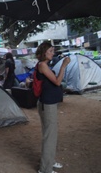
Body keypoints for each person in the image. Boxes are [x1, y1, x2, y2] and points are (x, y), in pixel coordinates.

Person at [35, 42, 70, 173]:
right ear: (44, 52)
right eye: (50, 50)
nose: (53, 53)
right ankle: (45, 169)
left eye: (53, 50)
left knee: (50, 135)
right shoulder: (42, 65)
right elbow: (57, 81)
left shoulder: (45, 65)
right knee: (49, 136)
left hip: (49, 104)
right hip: (47, 105)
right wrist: (64, 66)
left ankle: (49, 161)